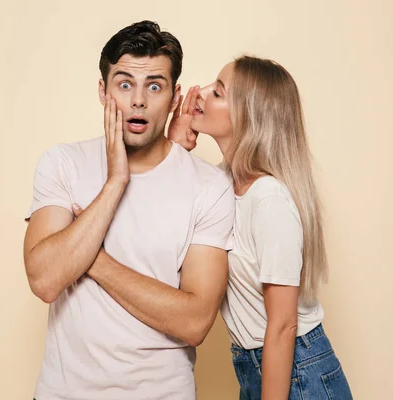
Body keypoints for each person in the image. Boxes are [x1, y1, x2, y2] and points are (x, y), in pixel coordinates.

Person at [23, 21, 235, 400]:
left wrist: (91, 258)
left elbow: (195, 321)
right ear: (103, 92)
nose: (138, 100)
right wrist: (115, 182)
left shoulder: (208, 187)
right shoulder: (63, 164)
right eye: (124, 84)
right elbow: (44, 280)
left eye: (154, 86)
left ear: (174, 99)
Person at [169, 56, 353, 399]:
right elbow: (169, 234)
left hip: (298, 370)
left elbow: (283, 326)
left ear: (249, 116)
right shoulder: (220, 183)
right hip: (256, 364)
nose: (202, 93)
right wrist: (176, 148)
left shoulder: (269, 199)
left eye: (218, 92)